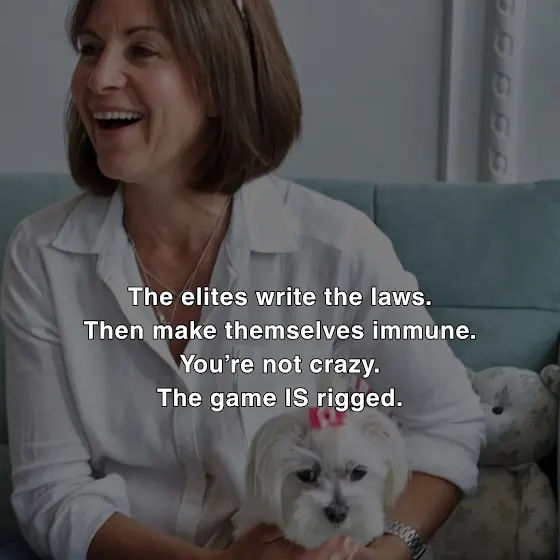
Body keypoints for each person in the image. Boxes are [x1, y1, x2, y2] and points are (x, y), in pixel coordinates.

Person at [0, 0, 486, 559]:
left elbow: (448, 425)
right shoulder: (43, 255)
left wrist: (386, 551)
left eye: (143, 50)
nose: (98, 79)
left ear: (219, 83)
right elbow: (51, 492)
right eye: (90, 49)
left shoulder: (339, 249)